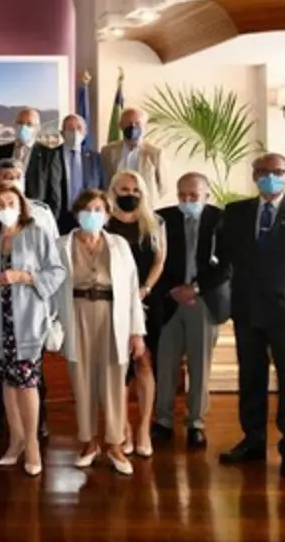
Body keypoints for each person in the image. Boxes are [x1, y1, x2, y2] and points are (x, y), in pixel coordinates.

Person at [212, 153, 285, 479]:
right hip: (247, 307)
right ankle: (253, 442)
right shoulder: (235, 213)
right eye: (263, 172)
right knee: (251, 378)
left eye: (277, 172)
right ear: (253, 176)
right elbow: (224, 258)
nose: (270, 177)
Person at [55, 189, 146, 475]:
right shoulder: (61, 244)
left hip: (112, 315)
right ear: (77, 213)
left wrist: (136, 332)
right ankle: (88, 442)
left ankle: (115, 444)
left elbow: (132, 290)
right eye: (86, 209)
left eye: (98, 209)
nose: (92, 215)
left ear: (107, 215)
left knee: (114, 380)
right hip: (77, 311)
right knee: (81, 379)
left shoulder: (119, 244)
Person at [0, 183, 66, 476]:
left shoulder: (37, 234)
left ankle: (32, 445)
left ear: (21, 205)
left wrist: (24, 276)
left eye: (10, 202)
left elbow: (56, 272)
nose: (5, 209)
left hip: (27, 317)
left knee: (27, 382)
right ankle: (15, 441)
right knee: (7, 382)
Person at [151, 172, 228, 449]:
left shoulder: (221, 219)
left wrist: (195, 289)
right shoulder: (161, 218)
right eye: (182, 195)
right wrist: (173, 290)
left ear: (206, 195)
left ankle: (196, 422)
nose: (187, 201)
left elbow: (227, 265)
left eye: (193, 196)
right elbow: (153, 259)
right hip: (170, 300)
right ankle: (163, 421)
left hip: (203, 301)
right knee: (165, 363)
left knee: (199, 365)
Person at [105, 170, 166, 457]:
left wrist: (145, 289)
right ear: (113, 190)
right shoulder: (104, 220)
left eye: (134, 189)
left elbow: (159, 260)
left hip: (144, 300)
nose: (129, 194)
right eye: (123, 189)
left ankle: (143, 428)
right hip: (112, 303)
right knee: (118, 369)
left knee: (144, 364)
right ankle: (124, 429)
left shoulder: (155, 222)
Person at [0, 108, 63, 215]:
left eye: (29, 124)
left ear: (37, 128)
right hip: (4, 212)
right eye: (20, 123)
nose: (23, 127)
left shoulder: (49, 156)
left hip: (35, 215)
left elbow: (55, 197)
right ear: (15, 125)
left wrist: (49, 222)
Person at [100, 107, 164, 204]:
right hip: (114, 206)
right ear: (120, 125)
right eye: (128, 123)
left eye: (138, 123)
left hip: (143, 206)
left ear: (144, 126)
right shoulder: (107, 151)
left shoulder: (155, 153)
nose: (133, 126)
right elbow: (102, 180)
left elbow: (163, 186)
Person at [58, 114, 106, 232]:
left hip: (89, 216)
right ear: (62, 133)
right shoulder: (51, 157)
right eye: (70, 128)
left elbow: (102, 189)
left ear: (85, 133)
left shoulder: (96, 159)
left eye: (79, 128)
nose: (74, 132)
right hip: (59, 217)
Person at [0, 159, 59, 239]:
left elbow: (55, 243)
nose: (15, 182)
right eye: (9, 177)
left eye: (19, 178)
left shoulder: (42, 213)